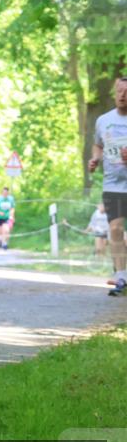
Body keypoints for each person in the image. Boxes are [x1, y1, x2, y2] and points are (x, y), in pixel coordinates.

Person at [89, 76, 127, 296]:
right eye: (119, 91)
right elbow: (98, 145)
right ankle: (121, 276)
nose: (123, 95)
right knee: (115, 229)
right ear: (114, 93)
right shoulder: (103, 120)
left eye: (126, 91)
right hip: (113, 185)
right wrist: (95, 159)